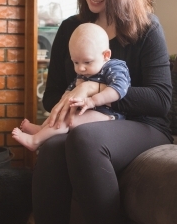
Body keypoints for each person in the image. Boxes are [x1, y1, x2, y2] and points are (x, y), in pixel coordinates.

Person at [32, 0, 173, 224]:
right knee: (52, 148)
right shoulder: (72, 29)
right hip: (90, 122)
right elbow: (51, 95)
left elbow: (160, 100)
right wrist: (73, 95)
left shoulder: (146, 28)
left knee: (84, 138)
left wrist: (96, 92)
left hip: (144, 126)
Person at [12, 23, 130, 151]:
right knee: (61, 111)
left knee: (68, 119)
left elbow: (118, 90)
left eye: (87, 62)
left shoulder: (115, 67)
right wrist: (65, 98)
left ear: (106, 55)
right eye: (75, 62)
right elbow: (73, 87)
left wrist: (93, 101)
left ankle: (35, 141)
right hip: (89, 110)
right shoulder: (85, 70)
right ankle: (42, 129)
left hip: (108, 115)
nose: (80, 68)